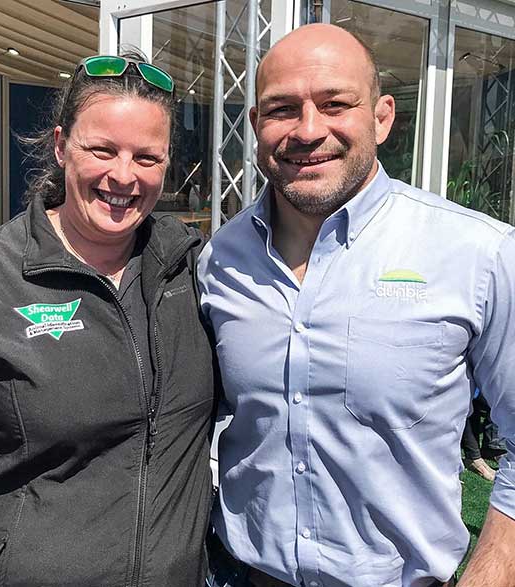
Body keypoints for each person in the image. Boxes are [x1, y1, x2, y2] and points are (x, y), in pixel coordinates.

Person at [198, 24, 515, 587]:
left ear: (383, 117)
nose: (308, 130)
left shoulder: (478, 254)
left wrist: (491, 573)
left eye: (334, 104)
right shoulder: (218, 259)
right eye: (282, 109)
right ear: (255, 126)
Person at [0, 51, 215, 586]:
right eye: (102, 150)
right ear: (61, 146)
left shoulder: (190, 271)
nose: (123, 176)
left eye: (147, 158)